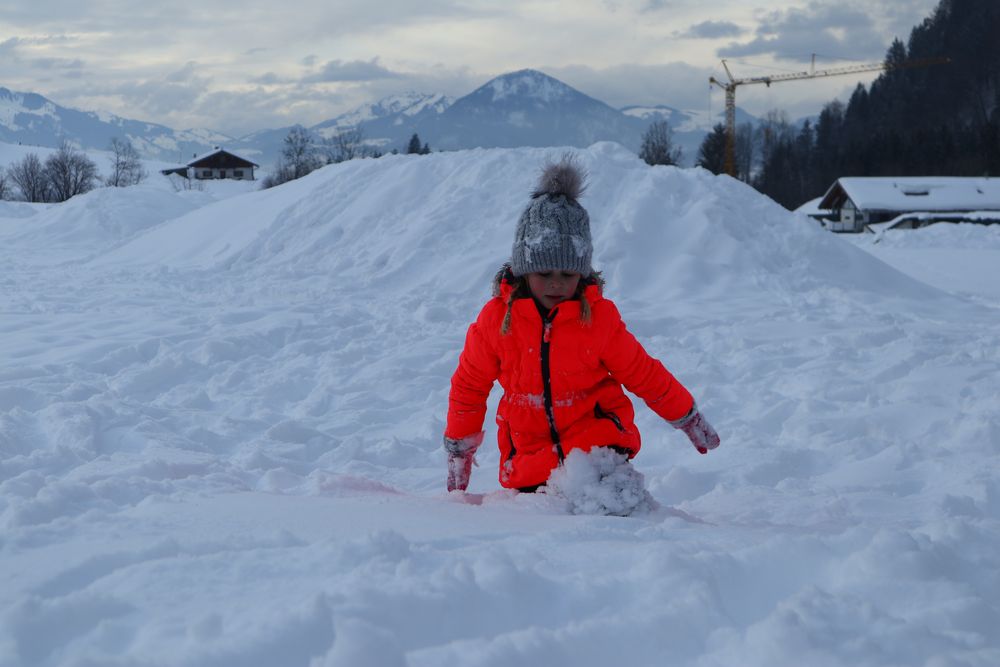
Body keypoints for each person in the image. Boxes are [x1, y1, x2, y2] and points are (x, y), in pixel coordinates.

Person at [443, 156, 720, 494]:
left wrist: (685, 415)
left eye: (568, 274)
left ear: (583, 273)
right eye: (544, 273)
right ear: (523, 269)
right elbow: (469, 388)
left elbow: (644, 373)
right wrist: (460, 447)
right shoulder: (497, 322)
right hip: (529, 459)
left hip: (599, 445)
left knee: (611, 504)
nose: (556, 284)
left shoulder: (598, 319)